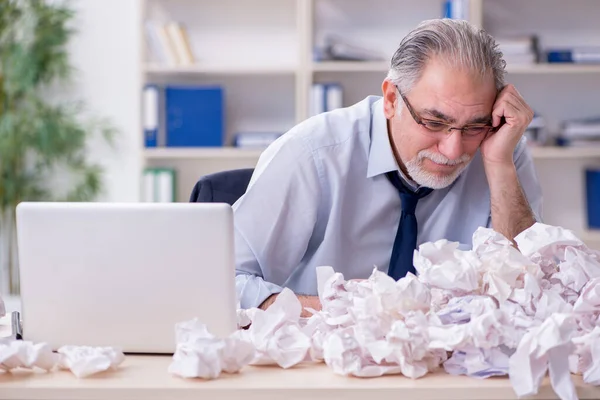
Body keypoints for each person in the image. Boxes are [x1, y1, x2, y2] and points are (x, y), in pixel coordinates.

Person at [233, 18, 543, 314]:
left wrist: (500, 167)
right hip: (321, 354)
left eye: (474, 126)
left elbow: (530, 291)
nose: (453, 150)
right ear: (391, 99)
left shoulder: (502, 150)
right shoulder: (311, 154)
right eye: (435, 122)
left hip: (453, 360)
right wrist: (330, 309)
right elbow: (227, 283)